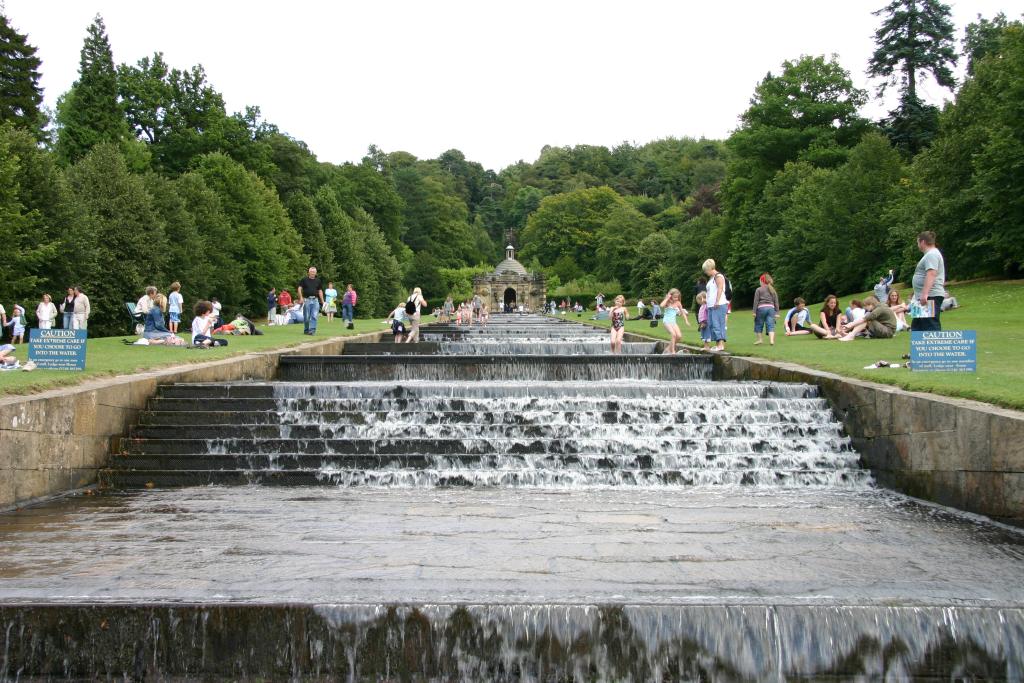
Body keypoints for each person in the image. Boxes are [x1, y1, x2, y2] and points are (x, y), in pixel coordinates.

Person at [911, 231, 946, 332]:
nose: (918, 245)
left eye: (917, 242)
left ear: (922, 242)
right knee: (918, 327)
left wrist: (925, 294)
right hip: (921, 297)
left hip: (929, 296)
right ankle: (919, 343)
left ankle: (934, 343)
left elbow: (931, 273)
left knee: (930, 326)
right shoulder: (929, 255)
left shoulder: (932, 254)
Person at [702, 259, 728, 353]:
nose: (705, 272)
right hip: (710, 305)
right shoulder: (711, 278)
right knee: (712, 325)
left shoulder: (718, 276)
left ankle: (721, 345)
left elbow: (720, 289)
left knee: (718, 324)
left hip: (718, 304)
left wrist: (717, 301)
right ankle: (717, 344)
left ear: (710, 268)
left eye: (706, 270)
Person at [660, 288, 690, 354]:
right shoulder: (668, 302)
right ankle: (672, 351)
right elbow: (661, 305)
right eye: (675, 297)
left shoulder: (678, 303)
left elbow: (682, 312)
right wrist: (667, 298)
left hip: (673, 322)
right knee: (673, 334)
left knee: (679, 336)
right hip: (667, 321)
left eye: (677, 297)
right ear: (670, 296)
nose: (676, 298)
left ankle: (668, 348)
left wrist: (686, 321)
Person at [752, 273, 780, 346]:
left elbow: (756, 301)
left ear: (762, 281)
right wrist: (777, 312)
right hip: (771, 309)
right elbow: (776, 302)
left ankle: (760, 339)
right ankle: (771, 340)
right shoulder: (773, 290)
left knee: (758, 324)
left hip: (761, 309)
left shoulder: (758, 289)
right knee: (771, 324)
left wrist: (754, 312)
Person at [296, 266, 324, 336]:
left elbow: (320, 291)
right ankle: (306, 330)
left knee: (314, 316)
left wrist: (323, 301)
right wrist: (301, 297)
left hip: (315, 300)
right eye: (311, 272)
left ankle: (312, 331)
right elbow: (299, 288)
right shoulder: (304, 280)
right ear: (308, 272)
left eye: (314, 272)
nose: (312, 273)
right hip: (306, 300)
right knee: (306, 317)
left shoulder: (318, 281)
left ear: (316, 273)